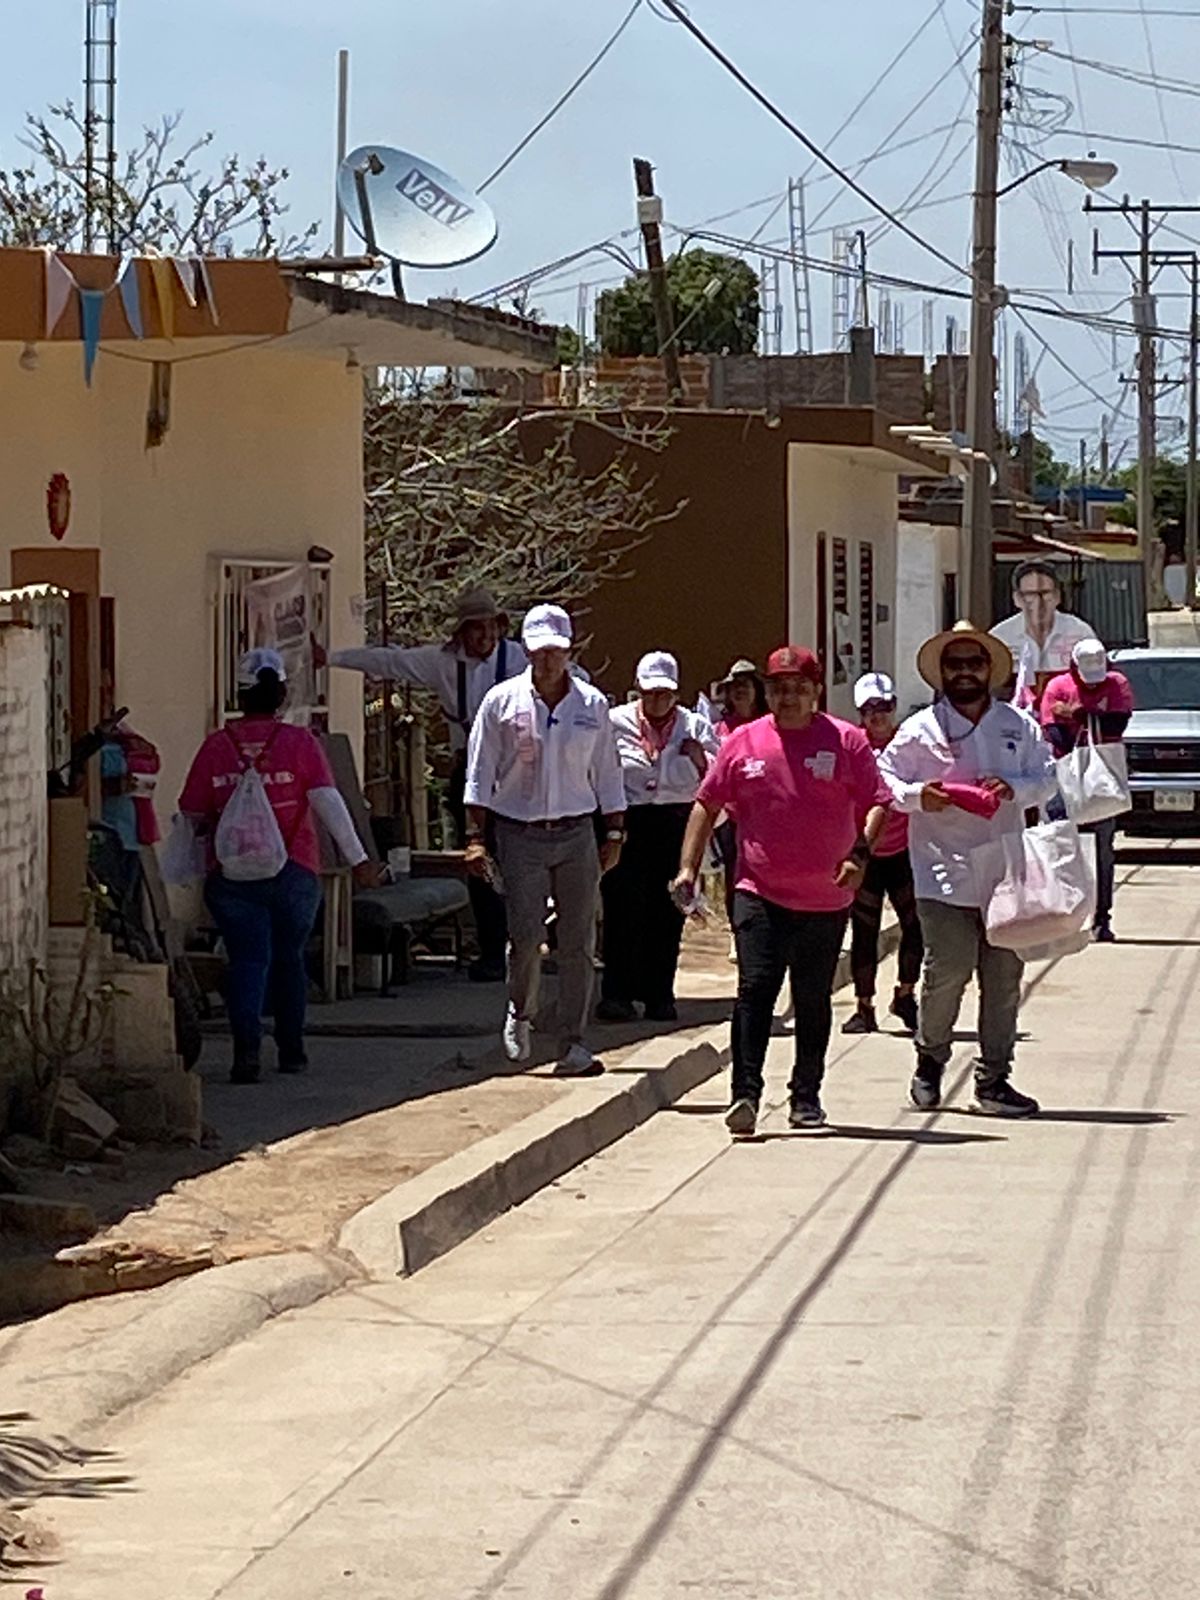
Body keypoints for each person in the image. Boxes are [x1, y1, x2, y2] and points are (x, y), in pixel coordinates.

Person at [672, 646, 889, 1136]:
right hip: (757, 890)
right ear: (767, 693)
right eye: (778, 688)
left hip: (826, 897)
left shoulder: (846, 742)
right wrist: (688, 867)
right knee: (754, 990)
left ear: (815, 693)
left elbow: (878, 802)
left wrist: (859, 855)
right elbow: (708, 803)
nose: (787, 697)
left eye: (798, 688)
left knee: (812, 998)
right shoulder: (743, 743)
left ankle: (806, 1095)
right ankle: (744, 1095)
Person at [878, 622, 1057, 1118]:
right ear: (942, 672)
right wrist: (920, 797)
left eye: (973, 663)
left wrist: (1014, 788)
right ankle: (930, 1060)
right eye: (954, 664)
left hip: (1005, 871)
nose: (963, 672)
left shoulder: (1017, 726)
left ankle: (994, 1079)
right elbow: (884, 780)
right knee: (948, 970)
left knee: (1002, 979)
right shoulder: (919, 730)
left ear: (989, 671)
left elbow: (1046, 779)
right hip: (941, 872)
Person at [179, 649, 379, 1084]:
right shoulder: (300, 744)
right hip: (294, 870)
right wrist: (358, 859)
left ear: (239, 694)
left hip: (231, 876)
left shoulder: (216, 747)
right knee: (289, 958)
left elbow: (191, 814)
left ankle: (245, 1052)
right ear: (282, 694)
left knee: (248, 960)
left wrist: (183, 872)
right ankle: (292, 1050)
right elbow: (328, 803)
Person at [325, 586, 527, 981]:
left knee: (522, 862)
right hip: (471, 772)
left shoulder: (520, 659)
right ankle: (491, 951)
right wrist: (331, 659)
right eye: (477, 630)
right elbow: (390, 661)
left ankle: (522, 945)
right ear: (462, 632)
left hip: (519, 772)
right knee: (480, 861)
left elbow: (570, 679)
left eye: (491, 629)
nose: (485, 639)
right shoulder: (443, 663)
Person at [464, 604, 626, 1077]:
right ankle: (521, 1009)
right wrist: (476, 837)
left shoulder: (592, 706)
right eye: (539, 652)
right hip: (520, 832)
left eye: (556, 651)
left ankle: (574, 1040)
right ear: (527, 651)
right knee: (526, 934)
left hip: (576, 830)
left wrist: (614, 830)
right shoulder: (501, 701)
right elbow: (480, 774)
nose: (548, 661)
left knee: (577, 940)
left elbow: (608, 773)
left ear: (569, 651)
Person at [598, 652, 718, 1024]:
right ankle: (617, 994)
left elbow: (718, 782)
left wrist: (700, 761)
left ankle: (659, 995)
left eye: (664, 694)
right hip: (628, 822)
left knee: (667, 911)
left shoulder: (695, 726)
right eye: (649, 693)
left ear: (676, 693)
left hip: (675, 823)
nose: (656, 701)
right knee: (622, 909)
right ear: (638, 690)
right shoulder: (614, 722)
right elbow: (599, 770)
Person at [843, 672, 923, 1036]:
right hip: (865, 852)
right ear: (860, 712)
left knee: (915, 926)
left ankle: (905, 993)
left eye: (885, 706)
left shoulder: (909, 743)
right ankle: (864, 1005)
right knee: (864, 929)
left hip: (905, 848)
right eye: (870, 708)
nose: (878, 715)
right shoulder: (850, 746)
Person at [1040, 637, 1134, 943]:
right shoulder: (1058, 686)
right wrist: (1090, 717)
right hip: (1064, 775)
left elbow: (1117, 724)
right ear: (1074, 666)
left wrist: (1078, 714)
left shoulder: (1116, 683)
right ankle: (1061, 912)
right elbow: (1056, 734)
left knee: (1103, 847)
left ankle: (1102, 917)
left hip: (1102, 778)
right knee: (1060, 844)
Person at [990, 560, 1095, 711]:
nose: (1039, 602)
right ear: (1017, 599)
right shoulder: (1000, 637)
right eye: (1030, 594)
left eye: (1045, 593)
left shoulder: (1080, 633)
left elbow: (1096, 683)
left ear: (1058, 596)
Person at [712, 658, 768, 941]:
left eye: (745, 685)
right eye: (734, 687)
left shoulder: (769, 724)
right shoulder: (719, 728)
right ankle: (739, 933)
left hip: (764, 814)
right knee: (734, 873)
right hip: (730, 816)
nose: (740, 691)